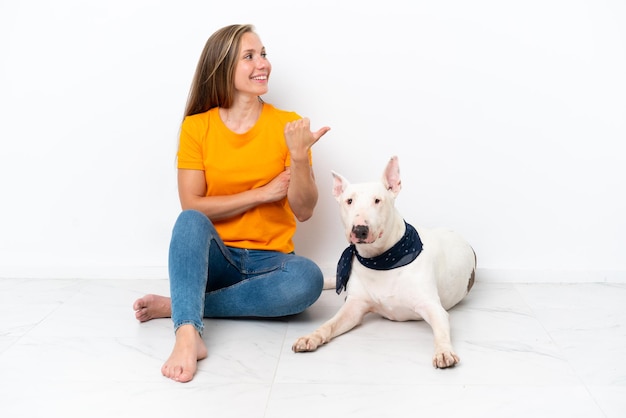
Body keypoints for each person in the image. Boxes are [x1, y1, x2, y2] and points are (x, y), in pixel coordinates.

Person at [132, 23, 330, 383]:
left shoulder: (287, 126)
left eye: (264, 54)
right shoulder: (197, 127)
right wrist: (263, 193)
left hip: (272, 263)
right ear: (223, 66)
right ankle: (188, 333)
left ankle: (181, 307)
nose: (263, 64)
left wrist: (299, 158)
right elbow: (193, 206)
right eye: (250, 57)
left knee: (308, 280)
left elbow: (303, 211)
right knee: (189, 222)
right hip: (217, 259)